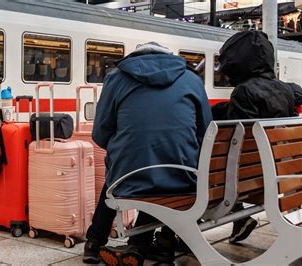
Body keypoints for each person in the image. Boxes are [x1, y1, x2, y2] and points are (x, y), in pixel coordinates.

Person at [82, 42, 212, 265]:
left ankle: (94, 243)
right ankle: (154, 245)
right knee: (163, 172)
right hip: (183, 179)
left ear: (135, 57)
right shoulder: (192, 80)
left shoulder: (116, 78)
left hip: (130, 177)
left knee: (122, 174)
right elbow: (206, 131)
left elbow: (100, 133)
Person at [215, 30, 298, 243]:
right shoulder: (285, 89)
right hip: (283, 171)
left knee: (213, 171)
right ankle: (238, 222)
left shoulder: (243, 92)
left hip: (253, 177)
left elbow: (239, 139)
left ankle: (237, 218)